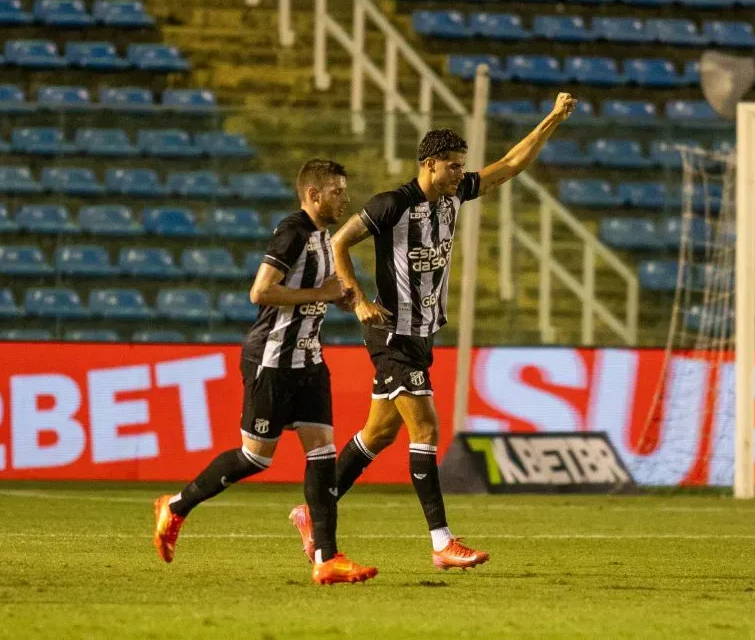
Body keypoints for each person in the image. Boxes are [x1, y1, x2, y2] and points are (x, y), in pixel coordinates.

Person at [289, 93, 578, 570]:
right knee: (426, 428)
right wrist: (357, 299)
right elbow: (338, 243)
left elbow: (509, 165)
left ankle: (312, 510)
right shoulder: (391, 205)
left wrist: (551, 119)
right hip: (391, 333)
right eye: (453, 167)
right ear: (429, 164)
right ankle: (442, 542)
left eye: (463, 166)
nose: (461, 174)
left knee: (378, 434)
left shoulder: (455, 196)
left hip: (422, 335)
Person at [152, 158, 377, 586]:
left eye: (344, 191)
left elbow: (316, 295)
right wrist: (322, 293)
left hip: (308, 358)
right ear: (313, 194)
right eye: (336, 191)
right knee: (256, 457)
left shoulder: (323, 237)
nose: (344, 198)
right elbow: (260, 291)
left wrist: (339, 299)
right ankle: (175, 506)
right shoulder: (292, 231)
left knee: (323, 454)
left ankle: (327, 558)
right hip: (272, 359)